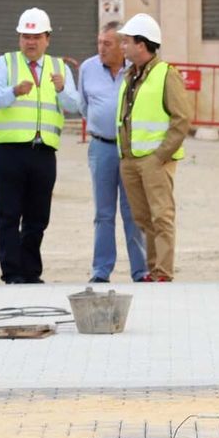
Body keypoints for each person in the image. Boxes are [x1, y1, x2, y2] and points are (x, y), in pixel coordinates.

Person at [0, 7, 82, 284]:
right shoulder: (4, 64)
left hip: (43, 151)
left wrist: (61, 89)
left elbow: (75, 106)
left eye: (36, 37)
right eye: (26, 36)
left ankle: (30, 271)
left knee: (38, 216)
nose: (31, 42)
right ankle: (12, 272)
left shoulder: (60, 68)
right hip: (9, 150)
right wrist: (13, 91)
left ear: (47, 39)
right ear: (19, 38)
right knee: (8, 214)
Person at [116, 13, 192, 282]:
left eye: (126, 41)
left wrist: (160, 155)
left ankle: (163, 272)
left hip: (155, 159)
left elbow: (181, 118)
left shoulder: (166, 74)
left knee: (161, 216)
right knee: (143, 218)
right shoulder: (131, 75)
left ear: (141, 44)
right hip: (130, 158)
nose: (122, 46)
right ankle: (153, 270)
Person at [79, 21, 147, 284]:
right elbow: (84, 106)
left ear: (122, 46)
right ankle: (101, 270)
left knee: (133, 211)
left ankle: (140, 271)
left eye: (107, 44)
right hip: (101, 148)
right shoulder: (87, 68)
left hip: (129, 150)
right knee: (103, 213)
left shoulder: (137, 69)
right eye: (99, 42)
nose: (101, 48)